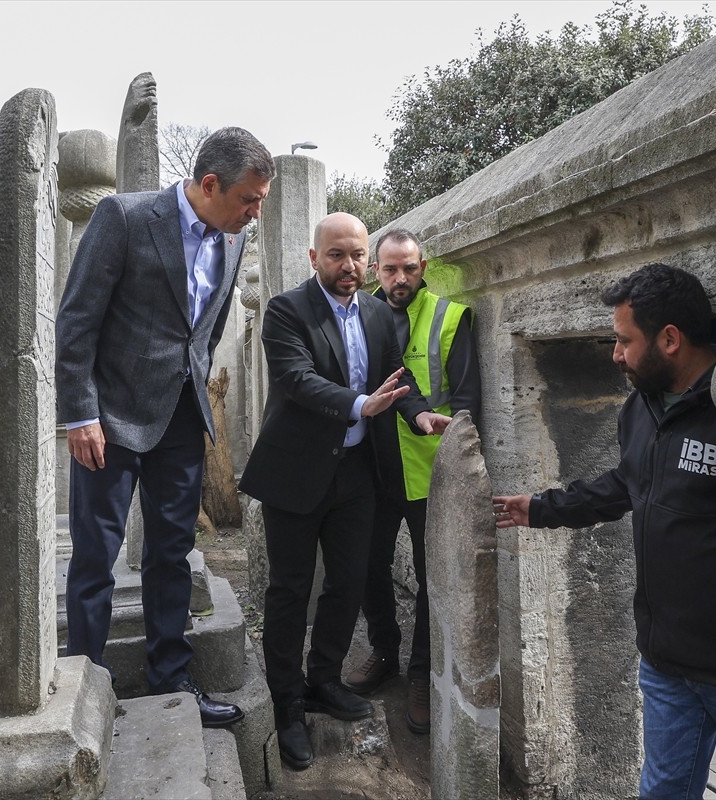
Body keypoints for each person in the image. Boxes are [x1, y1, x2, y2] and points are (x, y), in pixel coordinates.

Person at [492, 263, 716, 800]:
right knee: (662, 790)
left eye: (623, 340)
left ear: (670, 339)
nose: (614, 354)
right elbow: (627, 482)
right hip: (666, 663)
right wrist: (542, 508)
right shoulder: (642, 406)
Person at [56, 126, 274, 728]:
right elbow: (76, 321)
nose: (255, 212)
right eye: (249, 200)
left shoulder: (231, 244)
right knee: (96, 556)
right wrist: (81, 413)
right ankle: (86, 685)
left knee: (173, 553)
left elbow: (202, 329)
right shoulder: (123, 218)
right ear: (210, 184)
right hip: (110, 420)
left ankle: (170, 679)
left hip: (181, 418)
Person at [238, 213, 450, 770]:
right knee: (290, 591)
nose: (350, 266)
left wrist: (420, 413)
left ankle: (323, 680)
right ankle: (287, 708)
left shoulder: (379, 312)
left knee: (350, 582)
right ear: (315, 259)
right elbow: (295, 378)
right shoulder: (288, 310)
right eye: (337, 255)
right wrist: (361, 405)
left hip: (358, 473)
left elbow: (396, 374)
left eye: (358, 255)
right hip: (295, 472)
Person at [344, 229, 482, 735]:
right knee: (366, 567)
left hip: (429, 472)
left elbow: (467, 401)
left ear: (423, 266)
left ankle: (421, 673)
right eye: (389, 269)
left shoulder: (450, 317)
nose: (400, 279)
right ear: (375, 270)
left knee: (431, 579)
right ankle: (384, 651)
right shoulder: (355, 315)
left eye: (409, 268)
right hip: (371, 470)